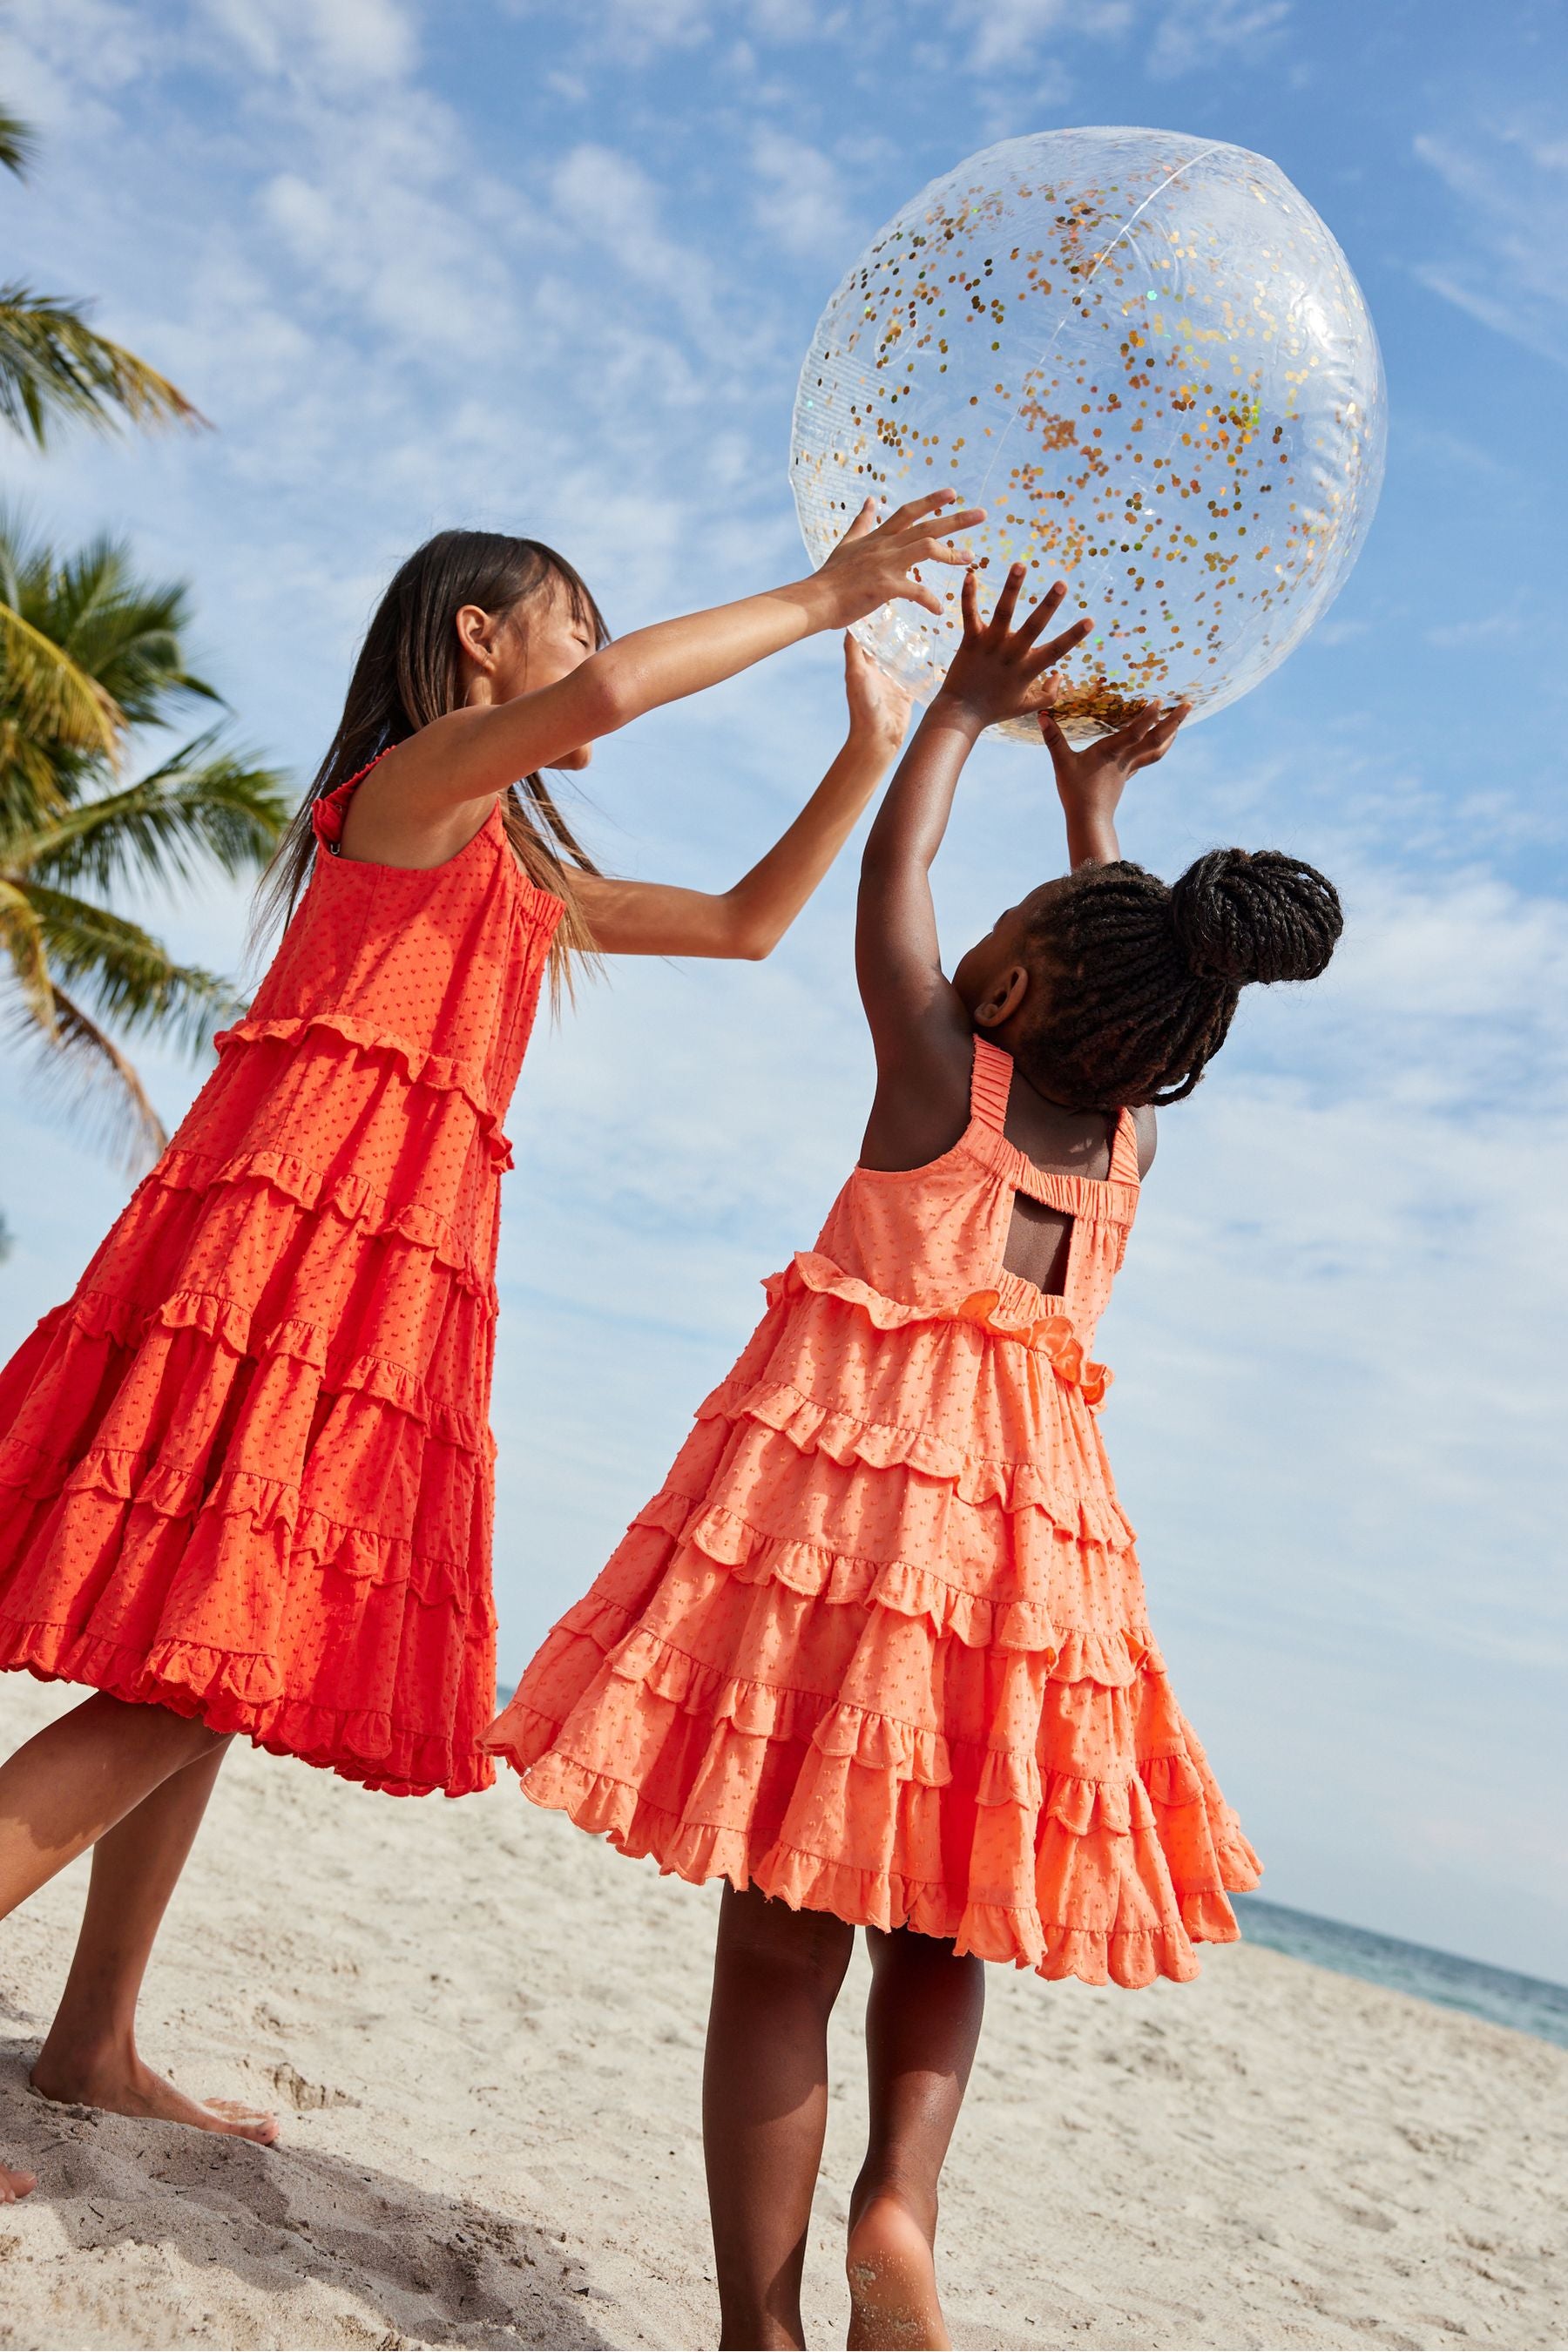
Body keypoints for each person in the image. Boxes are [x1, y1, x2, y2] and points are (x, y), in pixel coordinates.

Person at [0, 494, 982, 2202]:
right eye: (571, 621)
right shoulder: (407, 793)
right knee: (198, 1662)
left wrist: (870, 747)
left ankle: (93, 2037)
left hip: (386, 1281)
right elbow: (603, 708)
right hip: (290, 1246)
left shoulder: (519, 876)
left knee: (205, 1653)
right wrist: (827, 591)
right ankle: (85, 2026)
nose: (590, 658)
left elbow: (752, 925)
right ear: (481, 637)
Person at [486, 562, 1344, 2349]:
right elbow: (1136, 949)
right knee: (940, 1917)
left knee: (779, 1938)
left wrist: (961, 706)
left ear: (1017, 967)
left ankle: (761, 2329)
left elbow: (895, 873)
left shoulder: (929, 1070)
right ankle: (903, 2206)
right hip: (1030, 1556)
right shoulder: (1116, 1153)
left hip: (849, 1511)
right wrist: (1100, 795)